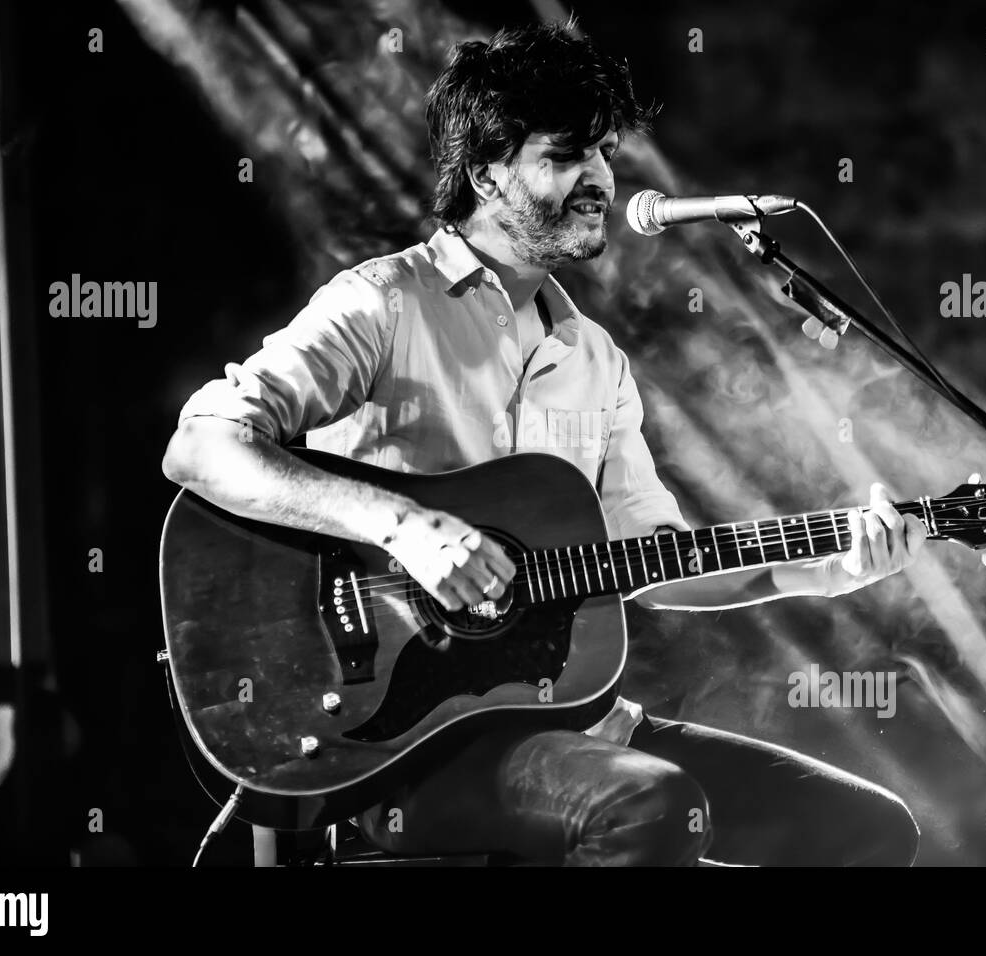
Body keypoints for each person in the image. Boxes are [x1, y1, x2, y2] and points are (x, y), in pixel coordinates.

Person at [161, 18, 926, 866]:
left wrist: (817, 569)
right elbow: (202, 445)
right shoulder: (381, 304)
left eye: (601, 153)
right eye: (564, 156)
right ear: (487, 174)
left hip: (571, 725)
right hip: (397, 747)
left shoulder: (596, 358)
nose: (598, 179)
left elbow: (652, 563)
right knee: (651, 805)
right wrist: (402, 526)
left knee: (868, 829)